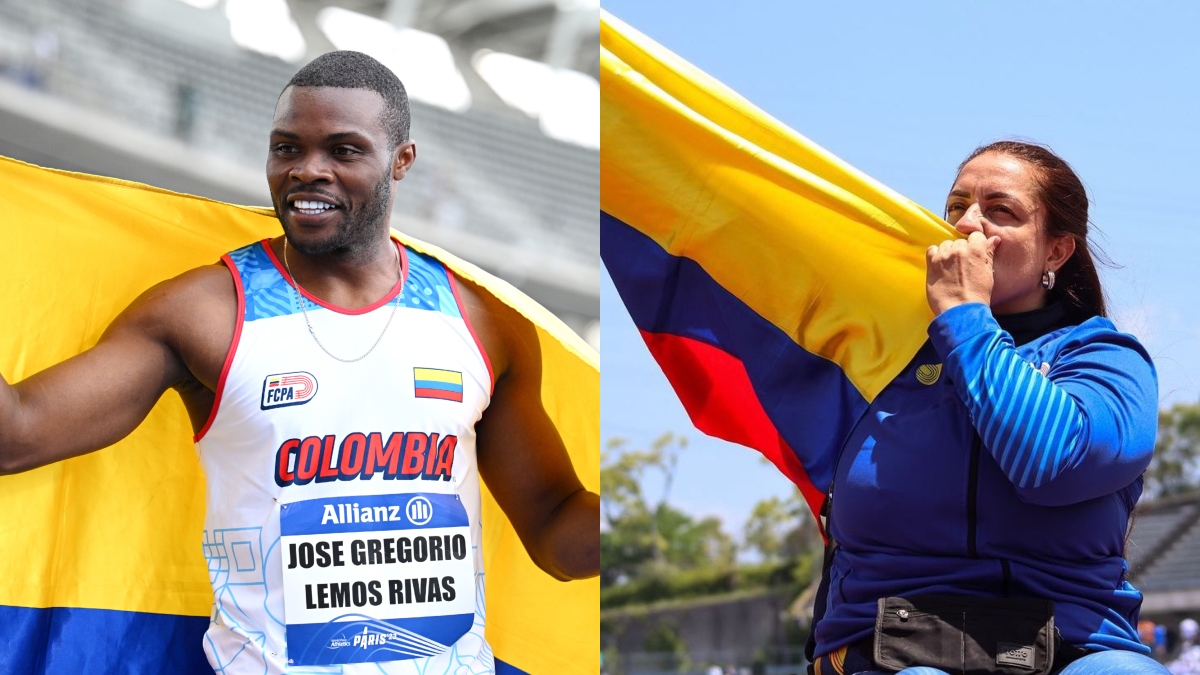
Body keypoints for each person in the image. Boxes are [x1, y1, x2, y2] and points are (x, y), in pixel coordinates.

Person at [0, 50, 598, 673]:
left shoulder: (482, 323)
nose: (308, 171)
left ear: (401, 161)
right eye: (287, 148)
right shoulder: (208, 312)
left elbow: (556, 528)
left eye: (344, 151)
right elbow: (15, 435)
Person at [808, 141, 1165, 674]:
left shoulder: (1108, 361)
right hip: (889, 646)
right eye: (956, 207)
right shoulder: (881, 356)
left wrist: (966, 318)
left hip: (1071, 646)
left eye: (1001, 211)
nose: (969, 225)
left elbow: (1048, 464)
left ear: (1056, 252)